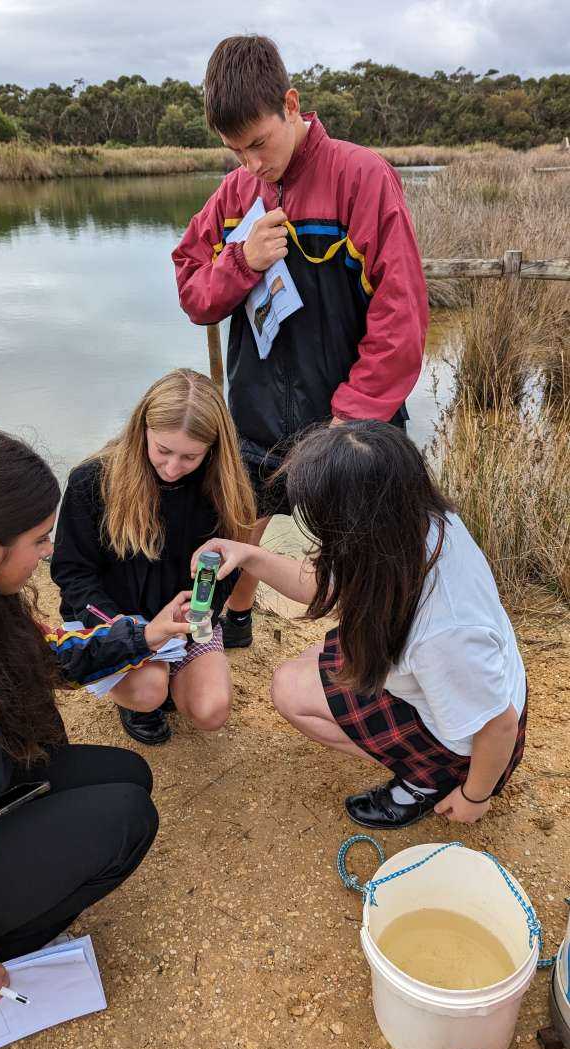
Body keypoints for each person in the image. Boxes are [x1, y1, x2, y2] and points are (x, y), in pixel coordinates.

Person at [173, 34, 428, 650]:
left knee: (359, 544)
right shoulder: (234, 197)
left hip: (350, 421)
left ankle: (366, 647)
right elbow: (194, 294)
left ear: (291, 105)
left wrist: (353, 415)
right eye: (236, 151)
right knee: (240, 522)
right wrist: (242, 261)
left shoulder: (362, 178)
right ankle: (234, 619)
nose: (252, 165)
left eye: (259, 143)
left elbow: (402, 315)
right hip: (258, 415)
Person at [192, 421, 527, 829]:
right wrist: (247, 555)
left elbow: (499, 724)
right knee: (313, 661)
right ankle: (428, 765)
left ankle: (428, 780)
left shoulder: (445, 633)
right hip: (467, 696)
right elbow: (323, 585)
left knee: (290, 690)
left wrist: (476, 795)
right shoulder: (422, 523)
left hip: (473, 745)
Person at [0, 427, 193, 1013]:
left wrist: (143, 633)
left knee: (128, 776)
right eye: (40, 540)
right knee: (128, 817)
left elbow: (53, 657)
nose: (49, 554)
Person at [51, 369, 256, 746]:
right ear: (142, 428)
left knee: (212, 710)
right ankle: (140, 698)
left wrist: (201, 608)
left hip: (183, 623)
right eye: (163, 450)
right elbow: (73, 573)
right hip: (114, 618)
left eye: (190, 456)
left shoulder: (225, 488)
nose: (173, 468)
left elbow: (228, 568)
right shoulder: (92, 481)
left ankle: (170, 672)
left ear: (213, 448)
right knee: (148, 690)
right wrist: (127, 632)